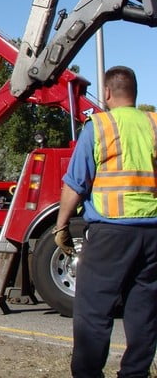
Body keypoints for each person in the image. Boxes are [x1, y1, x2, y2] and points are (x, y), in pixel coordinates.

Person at [55, 66, 157, 378]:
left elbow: (76, 183)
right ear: (135, 93)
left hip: (111, 233)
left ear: (108, 93)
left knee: (93, 312)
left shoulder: (99, 126)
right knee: (144, 313)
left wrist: (61, 225)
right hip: (153, 235)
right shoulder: (154, 123)